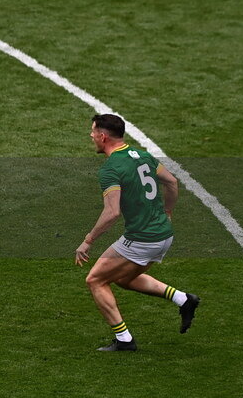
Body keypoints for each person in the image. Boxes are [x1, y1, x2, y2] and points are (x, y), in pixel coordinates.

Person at [76, 113, 200, 351]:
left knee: (95, 280)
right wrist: (168, 211)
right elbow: (172, 182)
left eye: (92, 132)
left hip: (142, 239)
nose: (90, 136)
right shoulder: (143, 156)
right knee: (123, 278)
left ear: (103, 137)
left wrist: (88, 240)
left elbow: (112, 213)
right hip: (164, 235)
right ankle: (183, 299)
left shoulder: (111, 169)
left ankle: (124, 340)